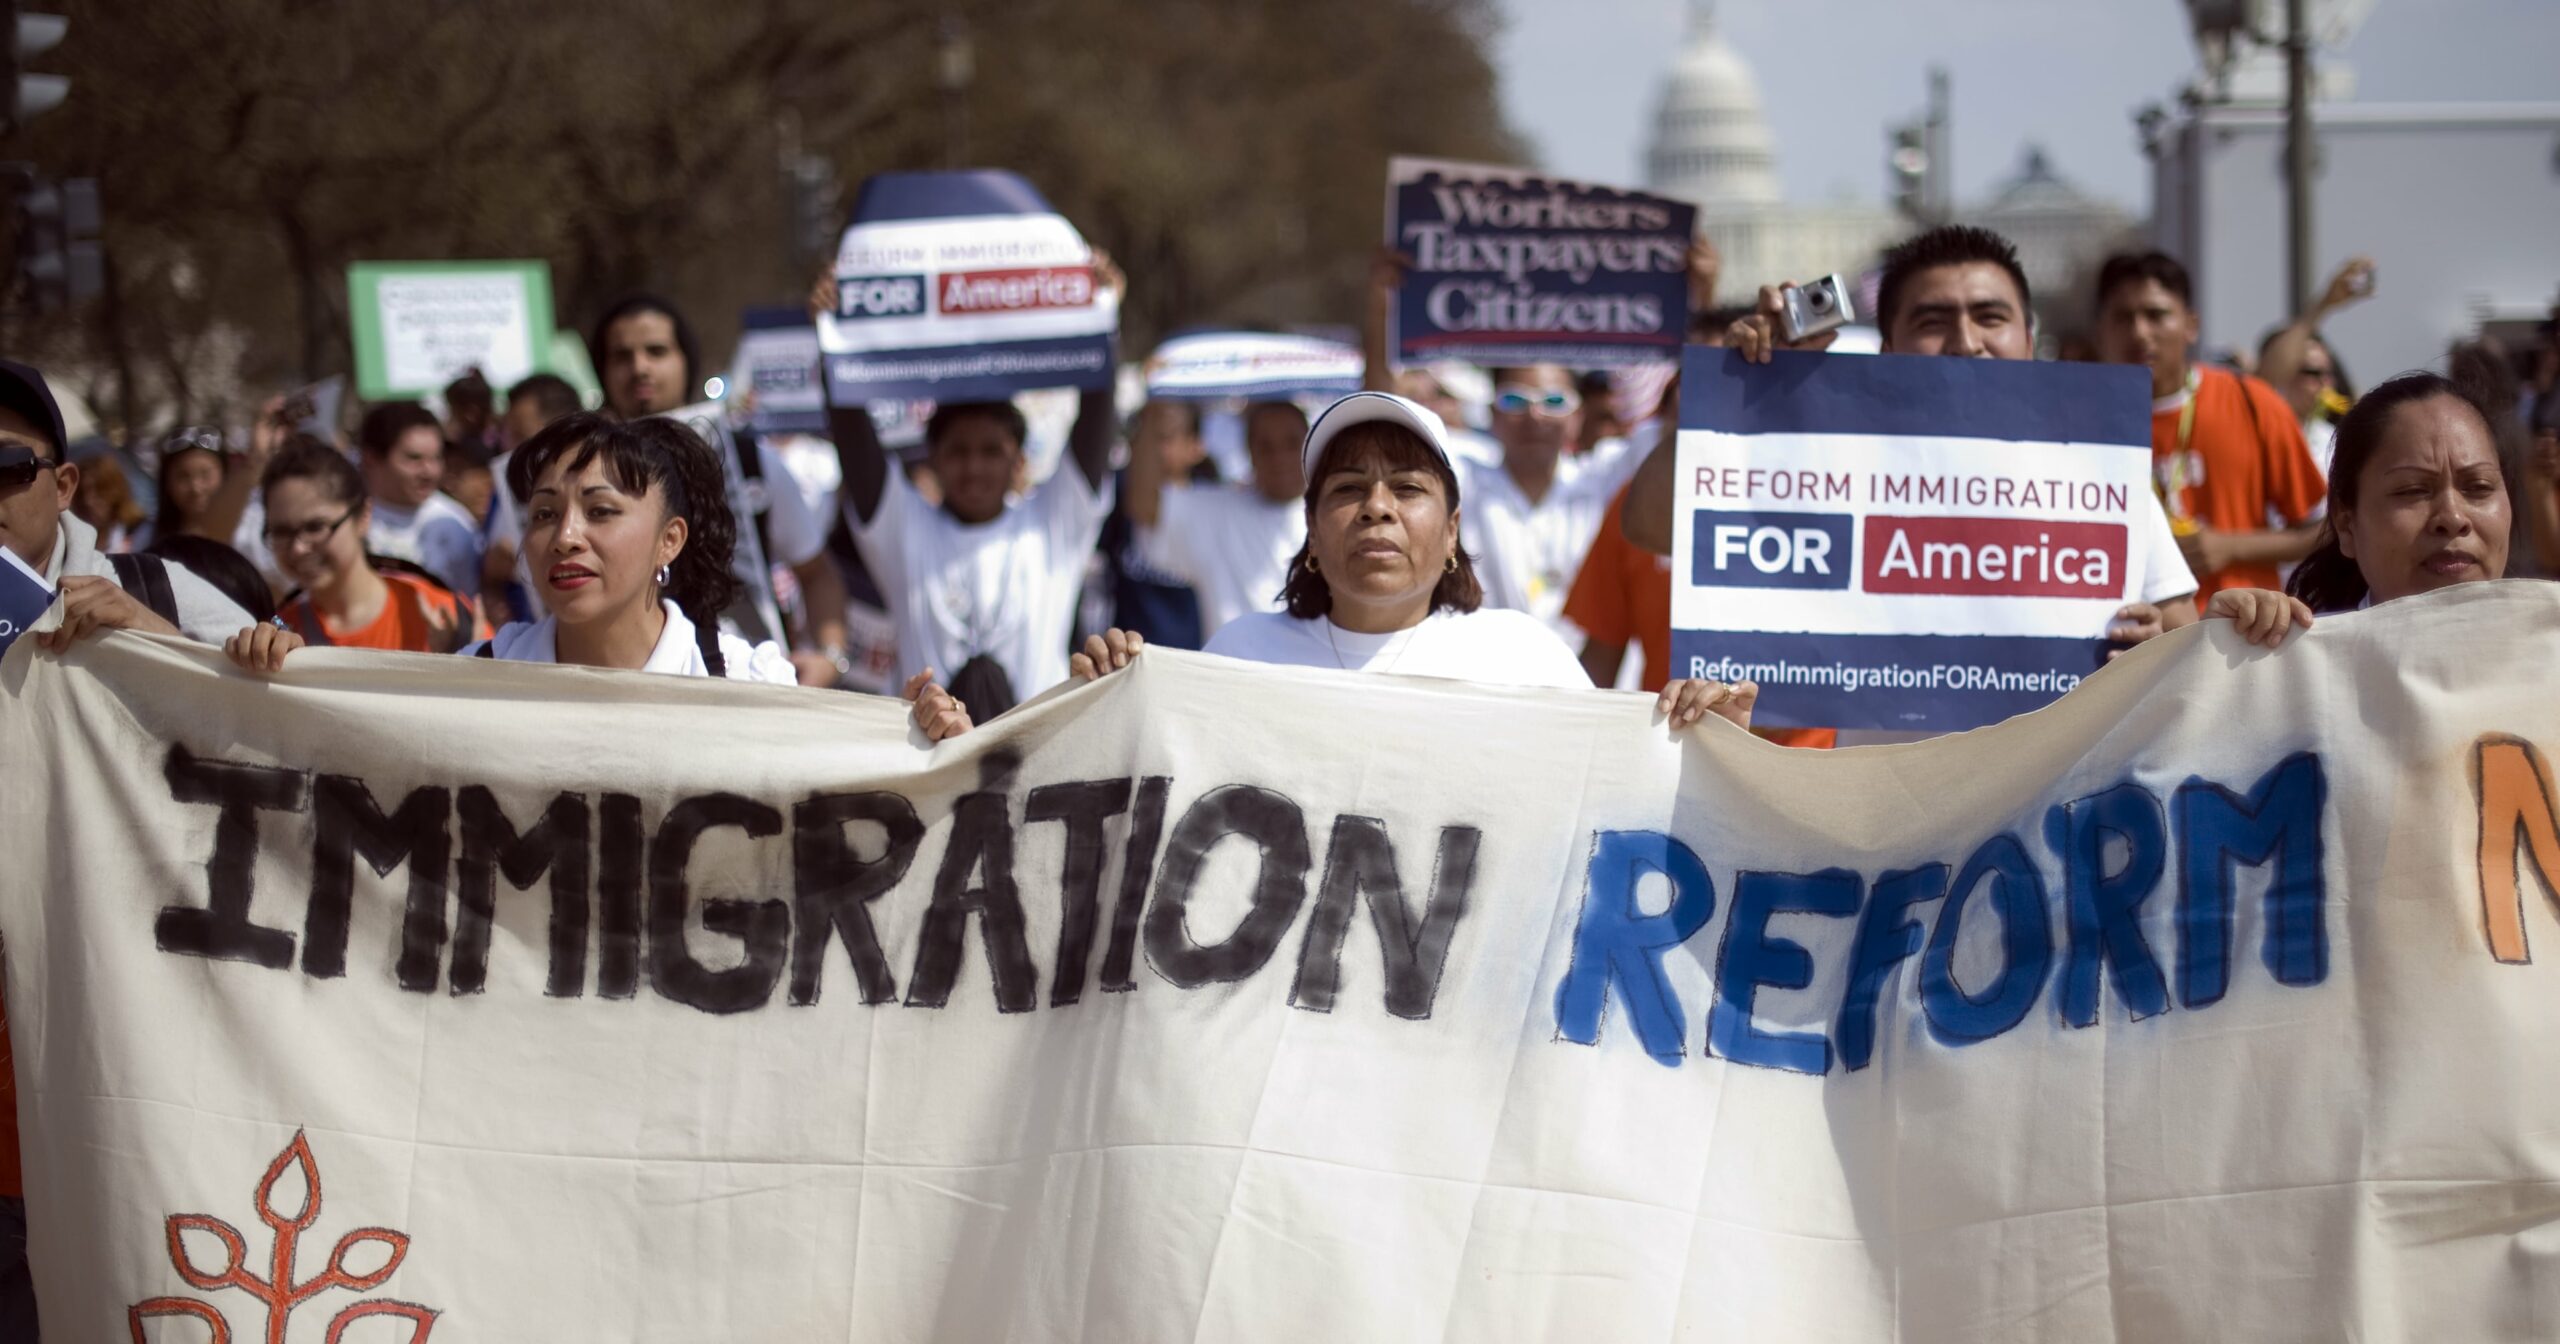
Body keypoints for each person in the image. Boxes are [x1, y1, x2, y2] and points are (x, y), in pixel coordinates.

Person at [1619, 227, 2200, 742]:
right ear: (1887, 349)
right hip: (1887, 832)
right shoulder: (1828, 464)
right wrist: (1741, 395)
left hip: (2057, 816)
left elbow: (2184, 647)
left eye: (1990, 317)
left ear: (2029, 338)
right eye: (1933, 321)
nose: (1966, 342)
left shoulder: (2094, 473)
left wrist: (2152, 652)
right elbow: (1646, 523)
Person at [908, 391, 1753, 740]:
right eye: (1348, 489)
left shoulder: (1524, 661)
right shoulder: (1238, 657)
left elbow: (1622, 816)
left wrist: (1710, 745)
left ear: (1453, 528)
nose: (1378, 507)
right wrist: (1087, 714)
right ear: (1311, 531)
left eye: (1408, 489)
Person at [232, 414, 792, 680]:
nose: (566, 537)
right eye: (544, 514)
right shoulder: (476, 678)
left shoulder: (750, 682)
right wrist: (283, 672)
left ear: (669, 541)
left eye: (600, 512)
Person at [813, 259, 1126, 714]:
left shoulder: (1053, 524)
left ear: (1019, 460)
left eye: (990, 452)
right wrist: (832, 333)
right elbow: (851, 429)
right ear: (933, 459)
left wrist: (1103, 317)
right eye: (958, 452)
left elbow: (1098, 411)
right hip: (931, 763)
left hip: (1040, 758)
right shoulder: (904, 529)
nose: (974, 467)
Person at [591, 294, 851, 686]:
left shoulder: (751, 462)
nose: (640, 367)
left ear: (686, 361)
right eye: (622, 356)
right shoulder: (576, 474)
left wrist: (830, 657)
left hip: (746, 696)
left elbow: (816, 573)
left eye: (656, 351)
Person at [2208, 372, 2512, 646]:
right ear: (2345, 523)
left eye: (2479, 487)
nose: (2453, 518)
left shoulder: (2550, 651)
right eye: (2412, 491)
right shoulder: (2287, 665)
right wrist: (2214, 657)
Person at [2093, 249, 2327, 598]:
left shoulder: (2252, 401)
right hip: (2127, 640)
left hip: (2240, 639)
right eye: (2123, 318)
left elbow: (2324, 531)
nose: (2140, 332)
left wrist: (2230, 547)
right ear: (2101, 330)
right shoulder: (2078, 421)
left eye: (2156, 315)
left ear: (2191, 325)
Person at [0, 359, 254, 649]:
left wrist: (157, 635)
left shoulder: (156, 591)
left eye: (8, 465)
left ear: (63, 487)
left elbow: (286, 683)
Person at [257, 436, 484, 651]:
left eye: (316, 527)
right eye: (282, 532)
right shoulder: (279, 635)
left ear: (363, 516)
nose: (299, 548)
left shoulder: (441, 615)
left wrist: (461, 659)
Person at [1125, 397, 1309, 638]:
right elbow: (1145, 506)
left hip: (1312, 673)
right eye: (1265, 446)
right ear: (1249, 452)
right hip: (1230, 673)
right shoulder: (1219, 511)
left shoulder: (1337, 514)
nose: (1279, 457)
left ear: (1310, 445)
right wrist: (1153, 409)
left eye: (1291, 443)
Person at [481, 372, 584, 626]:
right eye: (506, 433)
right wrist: (492, 584)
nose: (508, 447)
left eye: (520, 436)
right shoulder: (501, 491)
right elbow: (489, 581)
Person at [355, 400, 483, 600]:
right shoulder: (344, 521)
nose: (429, 471)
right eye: (414, 459)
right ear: (371, 459)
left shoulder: (456, 523)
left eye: (436, 458)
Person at [2256, 257, 2371, 477]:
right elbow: (2263, 381)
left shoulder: (2335, 442)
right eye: (2312, 372)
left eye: (2329, 373)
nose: (2325, 382)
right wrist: (2323, 305)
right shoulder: (2257, 432)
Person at [71, 448, 145, 552]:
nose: (88, 501)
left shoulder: (143, 537)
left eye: (99, 491)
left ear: (116, 491)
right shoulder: (72, 547)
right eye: (81, 493)